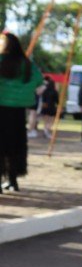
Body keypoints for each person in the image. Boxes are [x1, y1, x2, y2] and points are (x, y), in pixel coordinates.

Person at [0, 31, 43, 193]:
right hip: (18, 111)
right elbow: (39, 82)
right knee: (15, 146)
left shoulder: (1, 60)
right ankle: (13, 180)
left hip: (1, 108)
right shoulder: (27, 64)